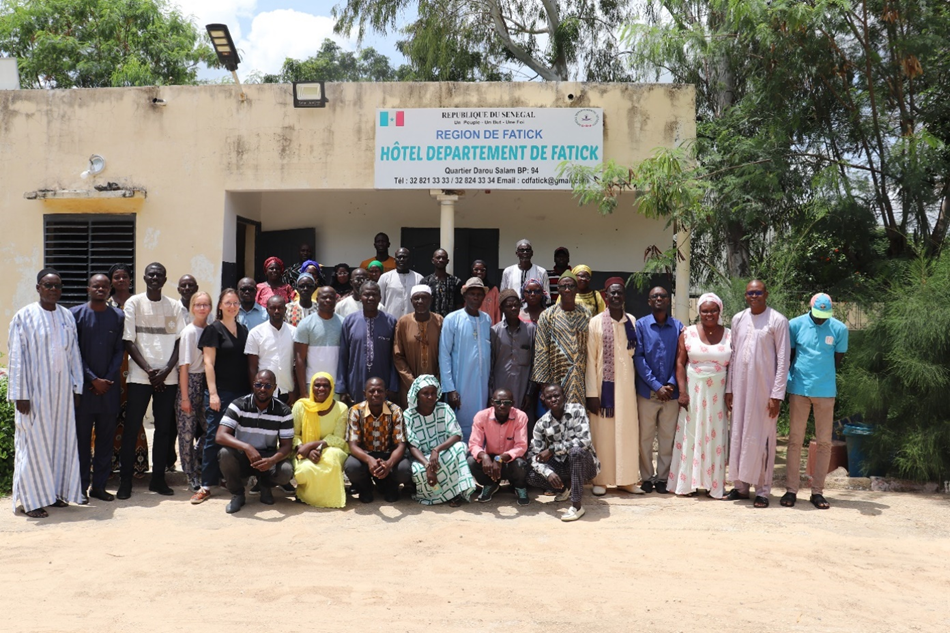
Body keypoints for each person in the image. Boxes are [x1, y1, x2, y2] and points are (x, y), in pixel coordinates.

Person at [7, 269, 85, 517]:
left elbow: (73, 354)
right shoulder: (24, 316)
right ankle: (30, 500)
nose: (53, 290)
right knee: (33, 444)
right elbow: (17, 357)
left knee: (60, 444)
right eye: (48, 285)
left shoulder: (66, 317)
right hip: (34, 394)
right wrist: (21, 394)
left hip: (61, 394)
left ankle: (52, 494)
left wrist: (77, 387)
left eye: (57, 286)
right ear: (38, 287)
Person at [119, 262, 186, 499]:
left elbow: (180, 341)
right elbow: (129, 340)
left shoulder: (175, 306)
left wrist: (166, 371)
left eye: (159, 275)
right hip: (140, 376)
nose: (155, 277)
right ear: (145, 278)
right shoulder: (134, 303)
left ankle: (158, 479)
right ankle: (125, 481)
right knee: (131, 428)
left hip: (168, 378)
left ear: (165, 279)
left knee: (163, 431)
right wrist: (150, 371)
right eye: (151, 274)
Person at [724, 279, 790, 508]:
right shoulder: (738, 319)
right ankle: (740, 487)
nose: (754, 296)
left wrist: (777, 395)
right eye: (750, 293)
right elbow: (733, 355)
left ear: (766, 293)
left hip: (764, 391)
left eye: (758, 292)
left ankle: (763, 490)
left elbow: (783, 360)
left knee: (762, 439)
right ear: (746, 296)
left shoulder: (778, 321)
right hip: (740, 390)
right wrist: (729, 389)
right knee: (739, 436)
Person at [782, 293, 848, 510]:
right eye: (817, 315)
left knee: (824, 442)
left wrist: (821, 376)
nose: (820, 319)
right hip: (799, 390)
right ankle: (791, 490)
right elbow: (790, 355)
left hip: (825, 392)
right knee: (795, 440)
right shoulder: (795, 325)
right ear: (810, 308)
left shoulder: (839, 329)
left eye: (824, 316)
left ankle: (817, 491)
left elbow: (837, 360)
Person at [191, 288, 250, 505]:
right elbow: (208, 363)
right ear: (220, 305)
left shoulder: (243, 330)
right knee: (214, 437)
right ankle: (206, 485)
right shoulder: (213, 330)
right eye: (228, 302)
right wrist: (213, 393)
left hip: (242, 393)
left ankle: (231, 479)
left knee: (237, 438)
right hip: (220, 393)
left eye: (235, 303)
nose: (232, 306)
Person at [669, 293, 732, 498]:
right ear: (699, 312)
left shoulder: (730, 334)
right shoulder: (687, 333)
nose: (709, 314)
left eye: (713, 310)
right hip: (694, 391)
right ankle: (687, 484)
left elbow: (734, 367)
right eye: (704, 310)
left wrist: (730, 392)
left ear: (719, 311)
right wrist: (682, 392)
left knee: (715, 434)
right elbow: (679, 362)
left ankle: (714, 485)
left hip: (719, 392)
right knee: (691, 433)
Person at [71, 274, 125, 503]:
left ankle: (99, 487)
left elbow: (119, 350)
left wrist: (106, 379)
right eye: (96, 286)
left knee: (105, 442)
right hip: (84, 391)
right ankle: (81, 488)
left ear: (109, 288)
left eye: (104, 286)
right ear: (88, 288)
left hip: (109, 390)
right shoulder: (75, 315)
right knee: (82, 442)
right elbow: (74, 352)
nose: (100, 289)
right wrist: (93, 379)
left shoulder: (118, 316)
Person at [585, 278, 640, 496]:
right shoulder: (596, 322)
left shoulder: (632, 321)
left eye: (619, 293)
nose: (616, 296)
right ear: (605, 296)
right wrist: (591, 394)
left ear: (624, 297)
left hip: (626, 387)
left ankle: (627, 479)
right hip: (602, 387)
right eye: (612, 293)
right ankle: (602, 479)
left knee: (627, 431)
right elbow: (590, 359)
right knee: (604, 434)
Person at [216, 369, 294, 514]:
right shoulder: (239, 404)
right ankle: (238, 494)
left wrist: (271, 461)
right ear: (253, 385)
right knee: (225, 454)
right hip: (243, 456)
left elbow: (287, 446)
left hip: (267, 457)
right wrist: (247, 447)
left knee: (286, 471)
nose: (262, 389)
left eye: (268, 386)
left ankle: (265, 486)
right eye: (258, 385)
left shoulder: (283, 411)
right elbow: (220, 436)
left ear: (275, 388)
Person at [633, 285, 684, 494]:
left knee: (666, 437)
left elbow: (680, 359)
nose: (659, 299)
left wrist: (671, 385)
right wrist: (656, 386)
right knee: (645, 437)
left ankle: (663, 478)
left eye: (663, 296)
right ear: (649, 301)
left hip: (671, 394)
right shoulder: (641, 325)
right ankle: (646, 477)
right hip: (647, 392)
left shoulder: (679, 326)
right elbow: (639, 358)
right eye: (655, 296)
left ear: (668, 300)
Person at [526, 384, 600, 522]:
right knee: (531, 476)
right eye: (549, 397)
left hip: (586, 465)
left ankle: (577, 506)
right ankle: (565, 487)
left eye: (556, 396)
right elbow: (533, 456)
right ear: (544, 401)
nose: (553, 399)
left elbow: (585, 441)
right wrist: (549, 473)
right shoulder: (542, 424)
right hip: (563, 465)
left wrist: (553, 449)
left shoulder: (577, 410)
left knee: (575, 452)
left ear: (564, 397)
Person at [404, 375, 476, 506]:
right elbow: (412, 446)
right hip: (422, 458)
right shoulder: (408, 415)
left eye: (433, 393)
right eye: (425, 393)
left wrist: (436, 450)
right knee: (417, 471)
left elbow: (457, 435)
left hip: (442, 452)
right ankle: (437, 496)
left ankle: (457, 493)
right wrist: (427, 465)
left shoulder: (444, 408)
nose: (430, 397)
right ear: (417, 395)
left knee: (460, 447)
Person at [107, 263, 148, 478]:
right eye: (117, 277)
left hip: (136, 361)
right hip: (113, 362)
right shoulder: (106, 302)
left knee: (133, 411)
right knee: (110, 412)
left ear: (130, 280)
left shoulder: (139, 302)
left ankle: (136, 463)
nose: (121, 280)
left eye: (124, 276)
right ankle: (109, 462)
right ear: (111, 281)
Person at [344, 377, 413, 503]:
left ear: (386, 393)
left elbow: (401, 445)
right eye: (371, 391)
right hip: (366, 455)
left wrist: (388, 464)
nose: (376, 394)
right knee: (351, 466)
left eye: (380, 391)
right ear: (365, 393)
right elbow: (353, 446)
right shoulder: (355, 411)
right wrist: (369, 460)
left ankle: (392, 487)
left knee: (404, 469)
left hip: (388, 454)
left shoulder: (395, 411)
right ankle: (365, 488)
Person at [439, 277, 492, 441]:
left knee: (481, 421)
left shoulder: (487, 319)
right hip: (460, 384)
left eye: (479, 294)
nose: (475, 298)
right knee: (460, 424)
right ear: (465, 296)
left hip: (482, 386)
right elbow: (444, 354)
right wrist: (449, 389)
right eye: (472, 294)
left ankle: (477, 455)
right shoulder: (452, 319)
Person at [291, 372, 350, 508]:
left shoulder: (341, 408)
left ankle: (330, 499)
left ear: (331, 388)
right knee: (304, 470)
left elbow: (339, 439)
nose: (321, 389)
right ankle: (308, 496)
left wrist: (313, 445)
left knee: (332, 458)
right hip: (302, 450)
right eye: (317, 385)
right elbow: (292, 435)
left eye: (325, 386)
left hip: (331, 449)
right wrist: (304, 449)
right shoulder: (300, 406)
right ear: (311, 387)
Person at [532, 272, 591, 405]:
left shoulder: (586, 314)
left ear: (576, 289)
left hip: (581, 376)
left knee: (578, 417)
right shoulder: (548, 315)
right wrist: (544, 384)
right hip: (556, 376)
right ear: (558, 289)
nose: (567, 289)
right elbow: (541, 349)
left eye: (571, 286)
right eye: (563, 286)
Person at [336, 281, 399, 404]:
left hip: (383, 385)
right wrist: (342, 388)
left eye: (374, 294)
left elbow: (395, 357)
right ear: (360, 297)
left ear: (380, 298)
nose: (371, 298)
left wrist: (393, 386)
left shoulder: (390, 322)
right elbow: (343, 356)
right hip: (355, 383)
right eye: (366, 294)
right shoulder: (350, 321)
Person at [468, 388, 530, 506]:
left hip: (510, 461)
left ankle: (519, 487)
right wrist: (484, 456)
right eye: (498, 402)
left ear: (513, 404)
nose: (502, 405)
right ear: (492, 402)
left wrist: (500, 458)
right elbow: (474, 444)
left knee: (520, 465)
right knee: (471, 461)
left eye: (507, 403)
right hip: (490, 463)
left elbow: (521, 446)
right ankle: (490, 484)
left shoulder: (520, 416)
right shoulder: (481, 416)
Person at [176, 290, 212, 492]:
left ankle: (198, 462)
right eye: (198, 305)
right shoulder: (189, 331)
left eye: (205, 304)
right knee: (187, 433)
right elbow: (184, 367)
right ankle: (190, 474)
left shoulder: (209, 329)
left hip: (205, 383)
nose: (202, 308)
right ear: (192, 307)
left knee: (211, 429)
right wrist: (185, 397)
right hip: (189, 382)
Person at [490, 289, 537, 419]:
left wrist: (529, 393)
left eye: (516, 305)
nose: (513, 308)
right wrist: (491, 393)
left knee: (524, 422)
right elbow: (491, 364)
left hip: (523, 388)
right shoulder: (495, 332)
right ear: (501, 308)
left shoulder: (531, 330)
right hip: (501, 386)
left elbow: (535, 363)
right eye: (509, 306)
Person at [393, 285, 443, 407]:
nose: (420, 301)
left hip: (434, 387)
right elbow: (398, 355)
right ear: (411, 301)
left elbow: (446, 354)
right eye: (416, 298)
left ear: (430, 299)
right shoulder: (403, 322)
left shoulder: (439, 321)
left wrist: (435, 381)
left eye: (424, 298)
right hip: (409, 385)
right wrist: (413, 383)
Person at [245, 295, 297, 403]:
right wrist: (256, 391)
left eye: (280, 308)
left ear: (285, 309)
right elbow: (252, 368)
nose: (276, 311)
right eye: (273, 308)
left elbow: (298, 364)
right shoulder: (256, 333)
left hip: (287, 391)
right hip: (263, 392)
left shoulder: (294, 333)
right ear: (267, 309)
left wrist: (295, 391)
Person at [294, 287, 343, 391]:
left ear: (336, 300)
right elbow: (299, 359)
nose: (328, 300)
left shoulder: (343, 323)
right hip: (311, 384)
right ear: (317, 299)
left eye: (331, 297)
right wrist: (303, 391)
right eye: (324, 297)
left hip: (336, 385)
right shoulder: (305, 324)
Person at [378, 247, 424, 318]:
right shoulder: (385, 277)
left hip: (412, 322)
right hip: (390, 321)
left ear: (410, 259)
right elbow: (379, 302)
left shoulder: (419, 278)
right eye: (399, 257)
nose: (402, 260)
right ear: (394, 260)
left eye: (404, 257)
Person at [422, 249, 462, 317]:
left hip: (450, 322)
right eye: (438, 258)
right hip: (431, 321)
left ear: (447, 261)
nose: (441, 260)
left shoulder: (456, 281)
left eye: (443, 258)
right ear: (433, 260)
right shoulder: (425, 282)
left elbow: (459, 304)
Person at [472, 259, 501, 324]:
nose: (479, 272)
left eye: (482, 270)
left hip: (489, 327)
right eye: (476, 269)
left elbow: (497, 311)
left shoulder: (493, 289)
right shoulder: (466, 289)